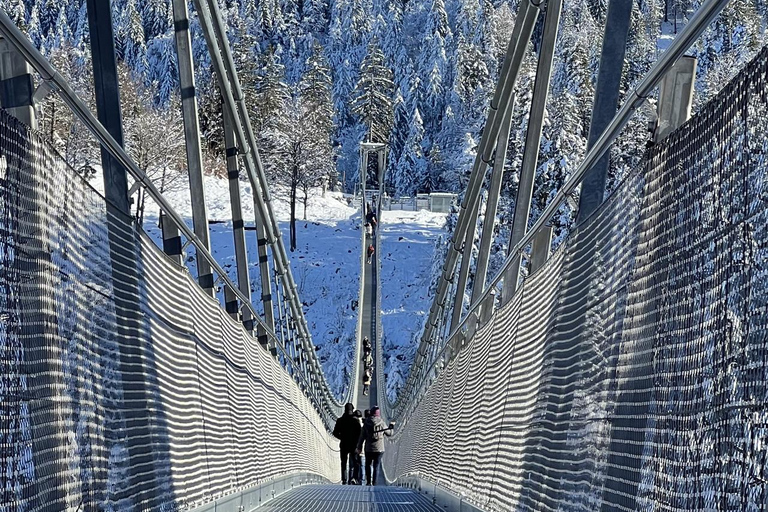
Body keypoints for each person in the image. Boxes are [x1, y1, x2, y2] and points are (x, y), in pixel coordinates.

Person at [356, 406, 394, 486]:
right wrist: (391, 427)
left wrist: (359, 447)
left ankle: (368, 482)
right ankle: (375, 483)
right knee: (376, 466)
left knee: (368, 465)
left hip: (369, 448)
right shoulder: (382, 423)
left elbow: (361, 437)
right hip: (379, 448)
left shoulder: (366, 423)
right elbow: (389, 434)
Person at [332, 402, 362, 485]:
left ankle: (344, 480)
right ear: (352, 410)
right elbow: (359, 433)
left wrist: (342, 437)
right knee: (355, 463)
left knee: (344, 462)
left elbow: (335, 433)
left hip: (344, 444)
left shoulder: (340, 420)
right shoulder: (355, 421)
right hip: (353, 445)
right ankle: (354, 478)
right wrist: (357, 443)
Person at [352, 410, 364, 484]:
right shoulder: (363, 425)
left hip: (352, 446)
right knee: (362, 464)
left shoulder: (350, 424)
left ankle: (353, 478)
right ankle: (361, 480)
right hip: (362, 447)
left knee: (353, 464)